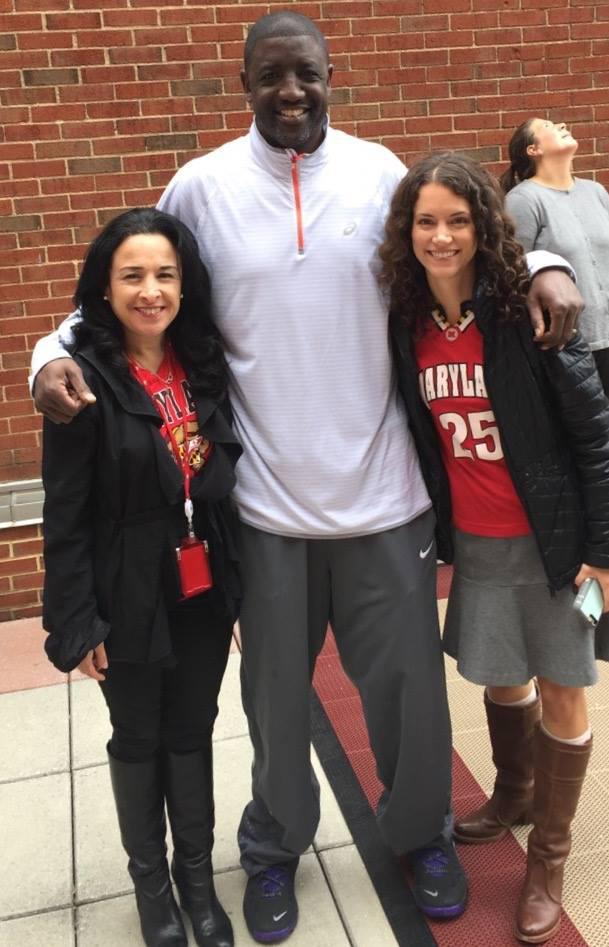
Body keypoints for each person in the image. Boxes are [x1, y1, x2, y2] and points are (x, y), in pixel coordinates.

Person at [31, 12, 584, 944]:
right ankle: (276, 844)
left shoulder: (375, 175)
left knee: (405, 698)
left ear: (333, 76)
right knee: (275, 702)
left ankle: (421, 835)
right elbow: (123, 287)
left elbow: (462, 241)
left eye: (307, 76)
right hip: (262, 510)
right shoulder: (201, 188)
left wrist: (546, 260)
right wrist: (48, 355)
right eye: (271, 77)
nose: (291, 94)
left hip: (385, 502)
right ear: (243, 80)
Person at [381, 151, 609, 944]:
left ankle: (547, 856)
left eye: (458, 220)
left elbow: (596, 438)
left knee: (562, 690)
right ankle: (512, 791)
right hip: (474, 541)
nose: (441, 236)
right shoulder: (406, 320)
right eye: (425, 221)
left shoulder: (531, 312)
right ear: (404, 233)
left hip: (552, 545)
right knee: (498, 672)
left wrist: (602, 550)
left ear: (484, 227)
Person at [41, 208, 242, 947]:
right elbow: (63, 514)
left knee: (192, 727)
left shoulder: (206, 364)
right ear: (104, 286)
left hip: (203, 582)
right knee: (138, 734)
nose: (150, 290)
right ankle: (152, 886)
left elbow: (227, 488)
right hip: (123, 587)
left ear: (185, 287)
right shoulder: (78, 378)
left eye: (165, 274)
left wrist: (241, 595)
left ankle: (197, 878)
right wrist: (74, 620)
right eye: (132, 275)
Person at [502, 117, 609, 393]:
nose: (561, 125)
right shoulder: (524, 199)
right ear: (533, 149)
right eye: (548, 126)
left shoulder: (595, 191)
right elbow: (513, 272)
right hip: (571, 347)